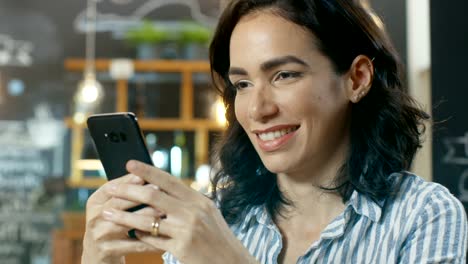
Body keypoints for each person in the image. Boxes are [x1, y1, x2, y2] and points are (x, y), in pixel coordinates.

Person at [81, 0, 468, 263]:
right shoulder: (214, 219)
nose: (258, 109)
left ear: (356, 78)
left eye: (284, 75)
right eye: (243, 84)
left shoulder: (423, 216)